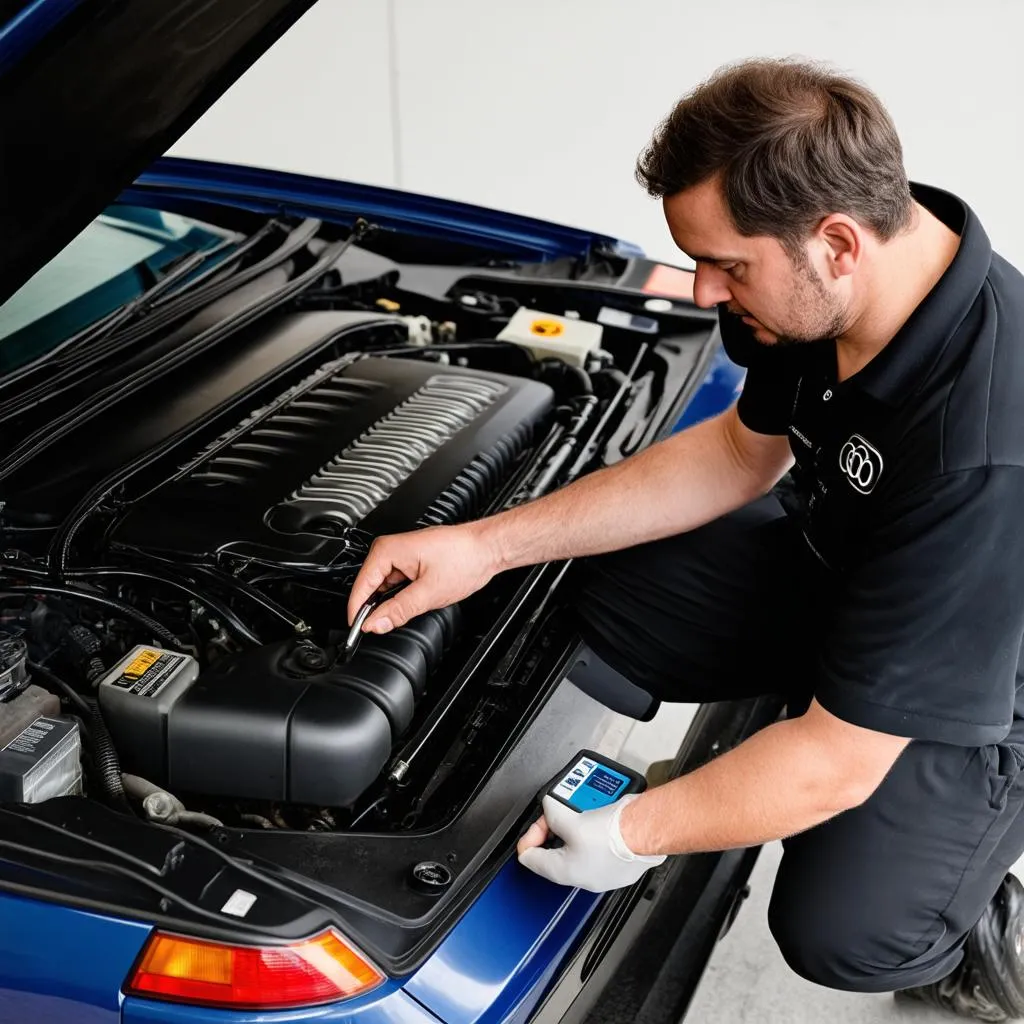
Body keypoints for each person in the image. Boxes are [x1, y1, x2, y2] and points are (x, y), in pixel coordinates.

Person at [347, 59, 1024, 1020]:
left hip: (992, 678)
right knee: (593, 583)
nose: (704, 294)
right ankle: (794, 728)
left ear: (836, 242)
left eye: (729, 266)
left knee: (850, 930)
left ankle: (970, 905)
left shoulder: (986, 449)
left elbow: (842, 760)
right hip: (858, 572)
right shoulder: (823, 294)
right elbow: (740, 458)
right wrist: (488, 545)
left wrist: (633, 831)